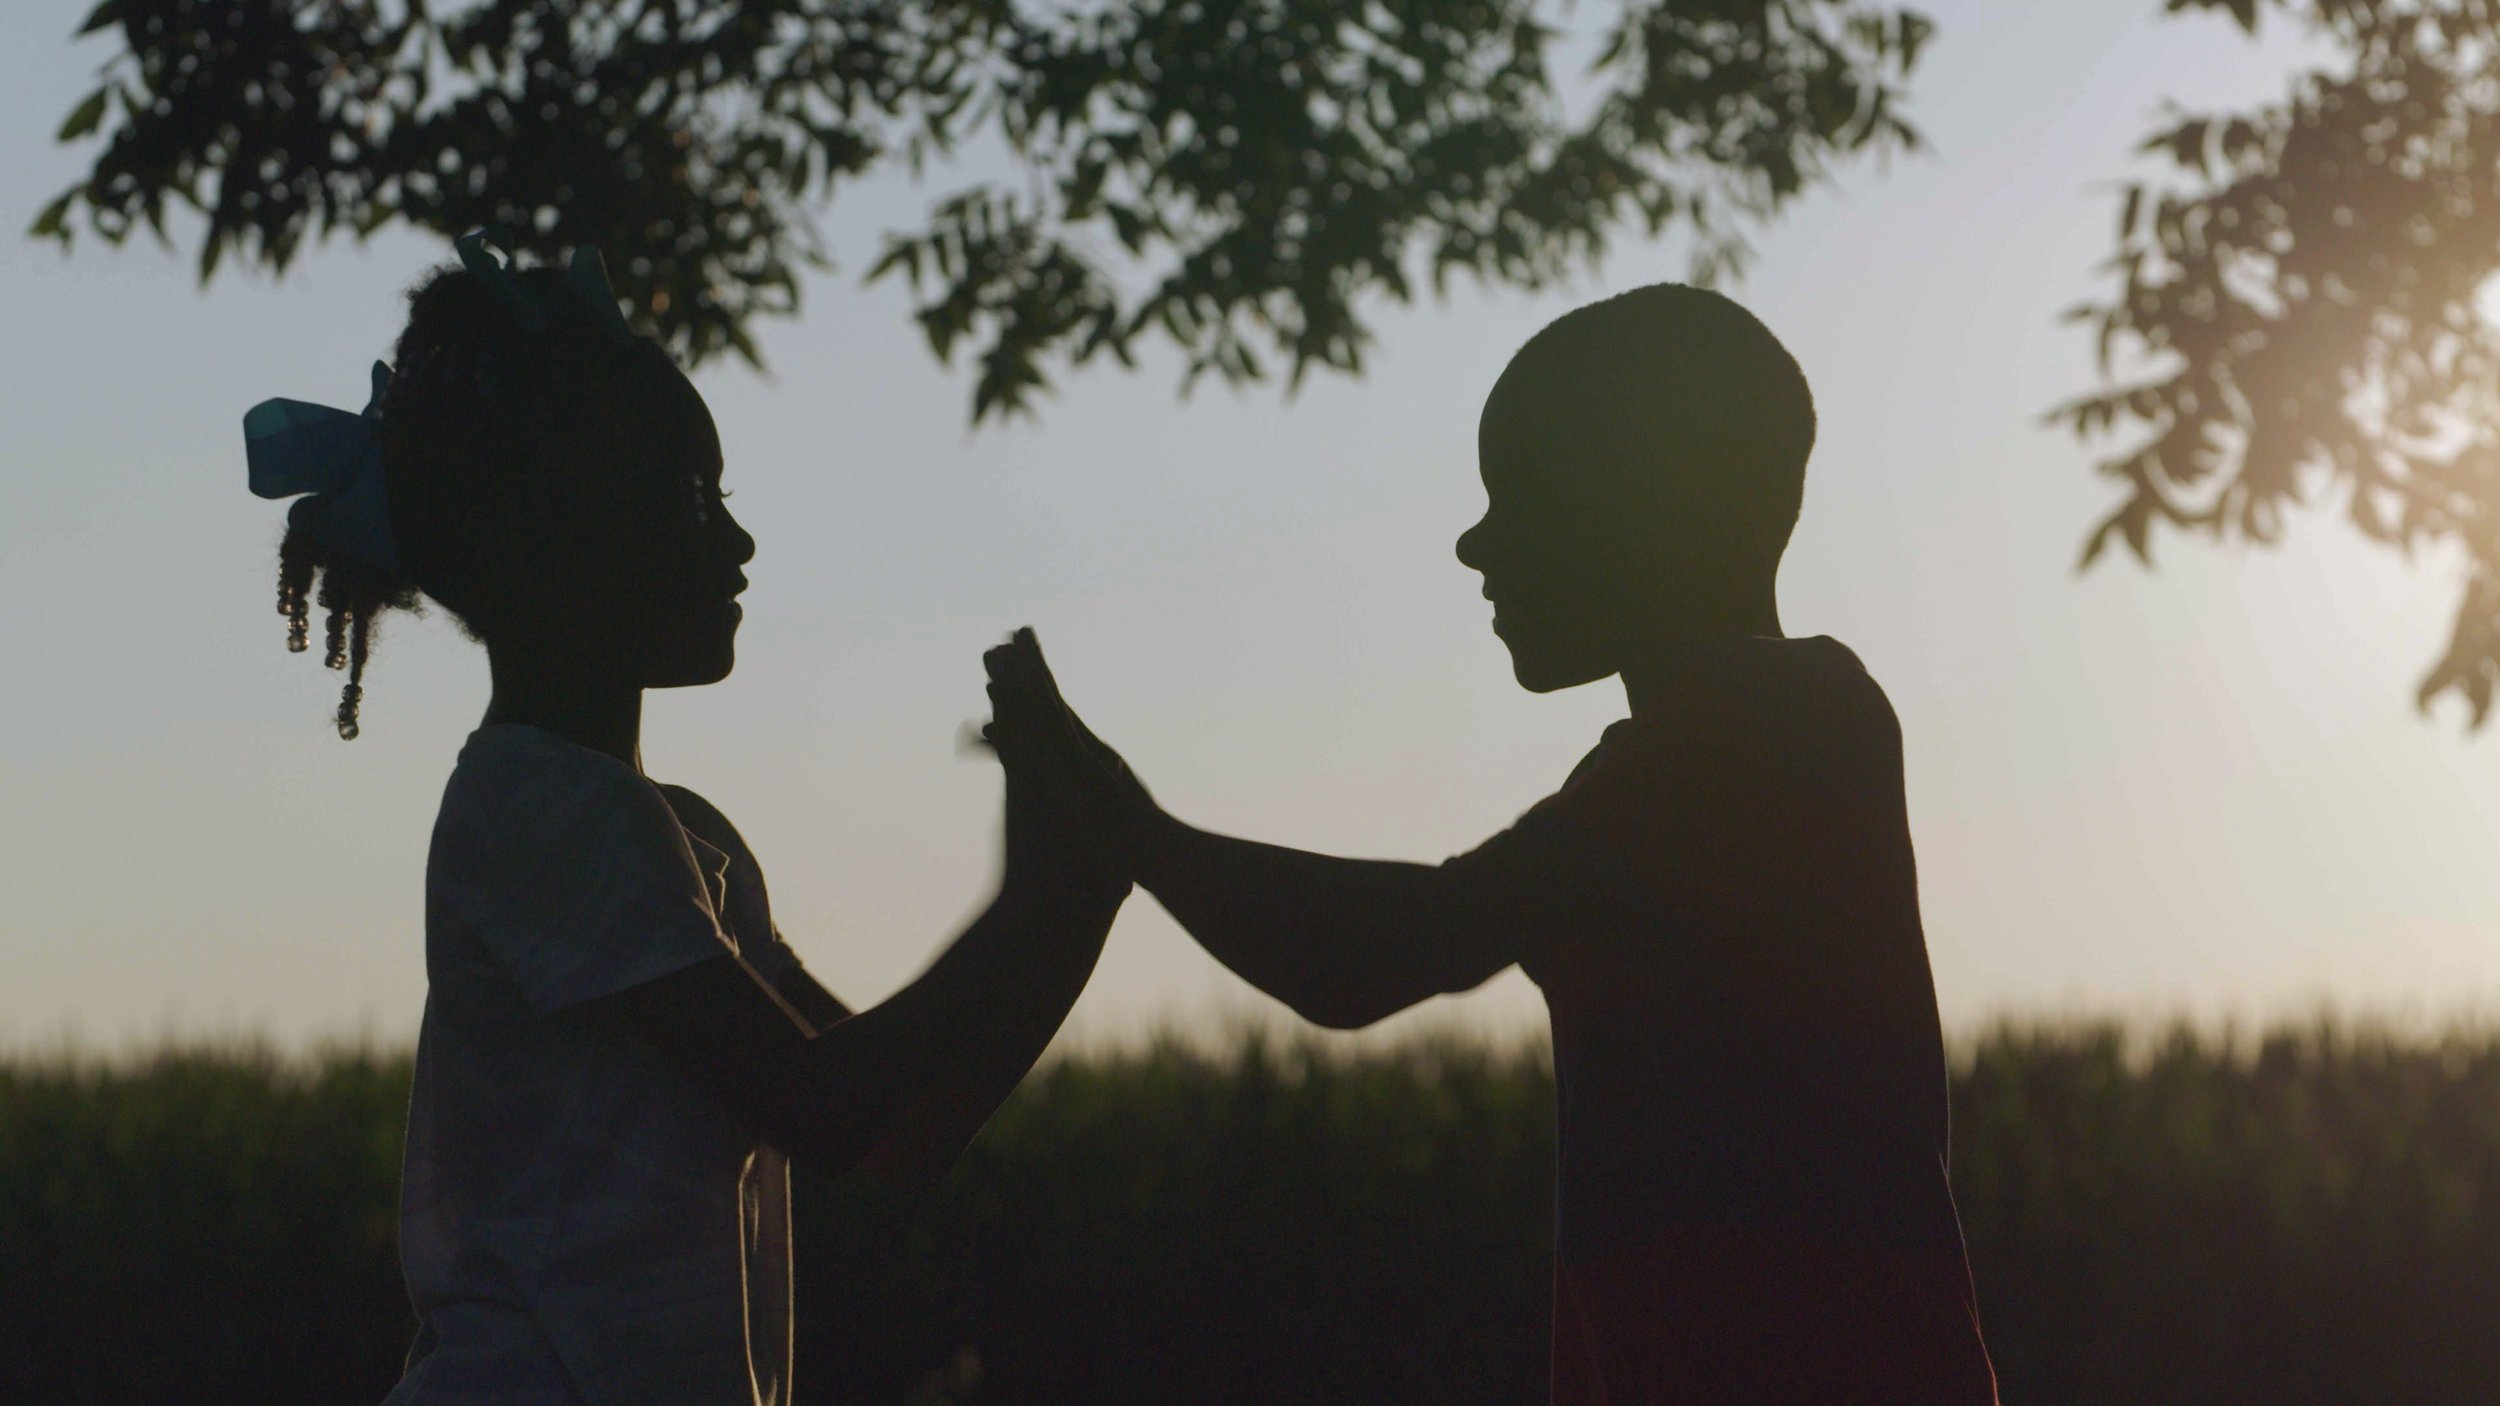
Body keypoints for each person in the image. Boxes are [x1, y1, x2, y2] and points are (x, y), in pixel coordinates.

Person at [987, 285, 2001, 1404]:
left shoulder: (1769, 719)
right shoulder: (1681, 756)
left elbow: (1389, 947)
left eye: (1519, 496)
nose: (1474, 541)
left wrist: (1136, 834)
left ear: (1652, 507)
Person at [246, 229, 1125, 1406]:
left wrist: (1078, 893)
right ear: (545, 546)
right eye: (687, 495)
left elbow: (898, 1129)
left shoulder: (668, 833)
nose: (735, 538)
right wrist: (1033, 900)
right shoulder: (540, 810)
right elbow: (824, 1103)